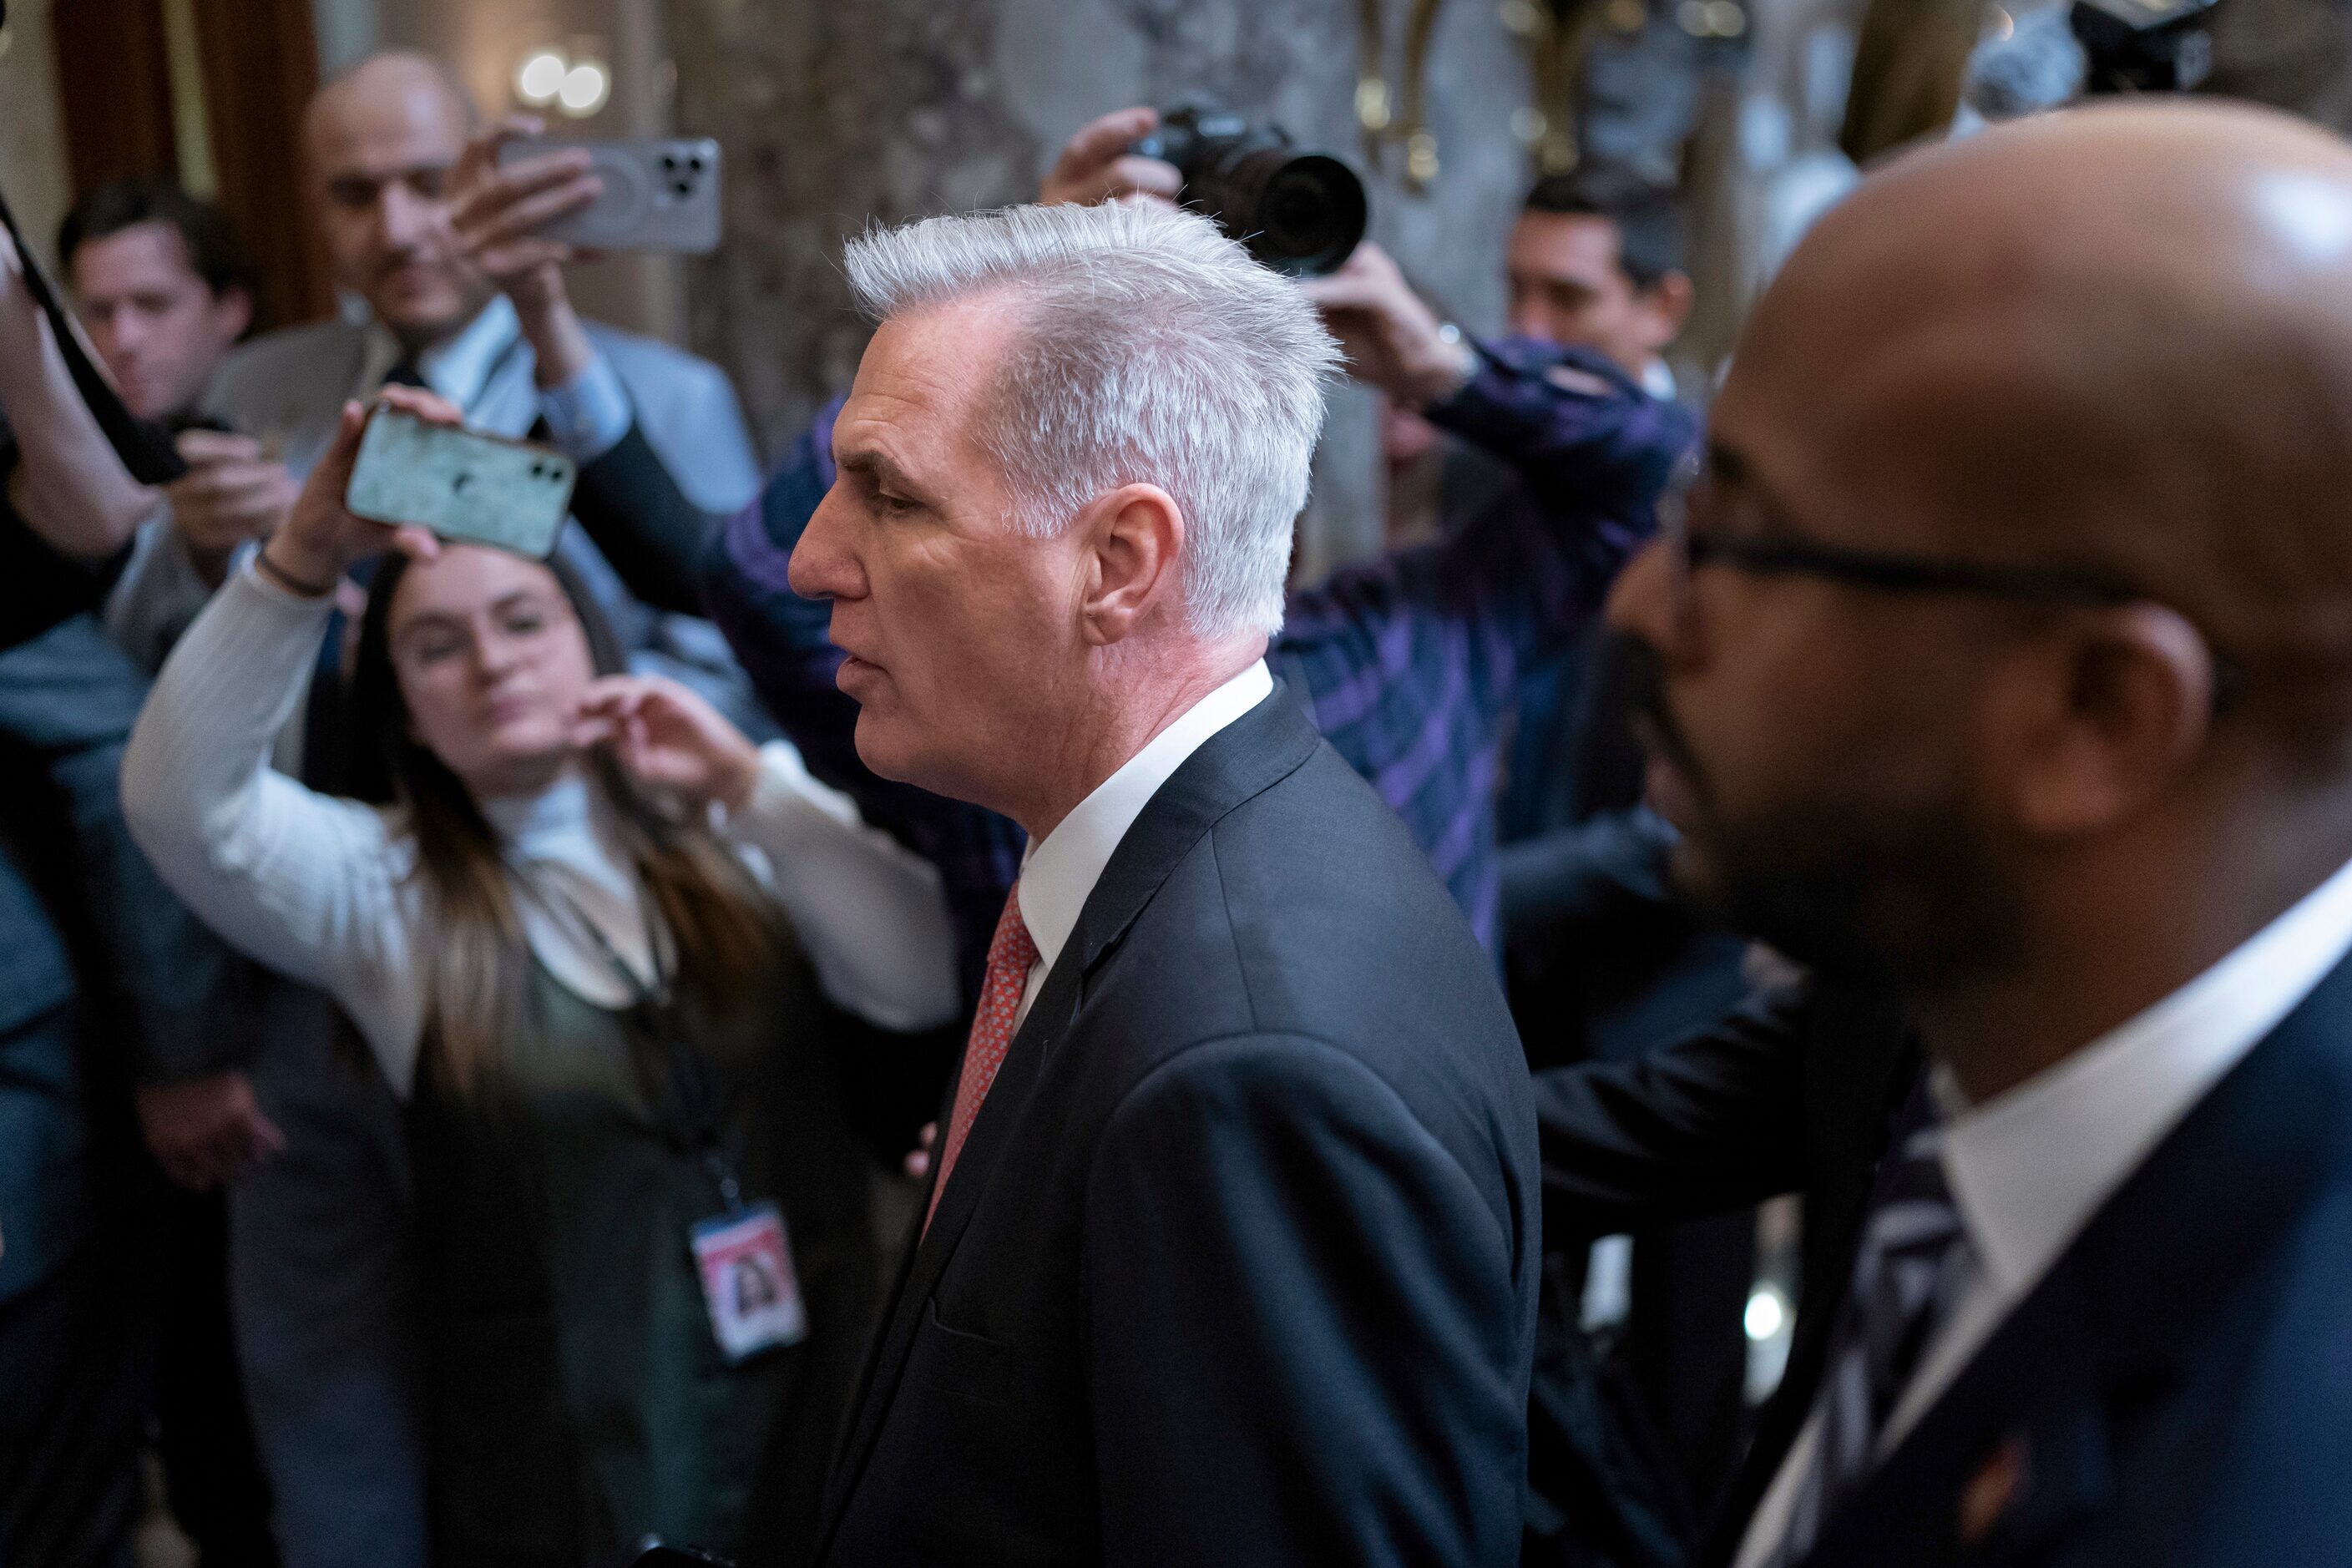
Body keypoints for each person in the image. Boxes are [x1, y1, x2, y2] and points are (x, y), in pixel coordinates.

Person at [1550, 100, 2352, 1566]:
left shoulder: (2252, 1486)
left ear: (2095, 715)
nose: (1646, 612)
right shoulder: (1981, 978)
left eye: (1737, 537)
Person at [791, 199, 1538, 1566]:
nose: (814, 560)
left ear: (1118, 562)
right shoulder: (1196, 854)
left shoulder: (1249, 1061)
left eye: (891, 495)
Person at [545, 106, 1694, 994]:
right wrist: (1012, 284)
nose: (827, 556)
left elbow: (1652, 475)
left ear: (1133, 544)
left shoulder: (1420, 639)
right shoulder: (1026, 705)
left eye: (900, 501)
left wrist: (1440, 360)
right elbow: (766, 578)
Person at [98, 53, 771, 1568]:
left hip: (562, 955)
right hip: (303, 942)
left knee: (585, 1355)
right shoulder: (256, 391)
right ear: (317, 215)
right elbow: (135, 696)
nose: (399, 224)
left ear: (489, 177)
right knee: (322, 1388)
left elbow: (741, 662)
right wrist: (220, 567)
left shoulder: (647, 395)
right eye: (354, 193)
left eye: (427, 180)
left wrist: (489, 638)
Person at [123, 386, 962, 1567]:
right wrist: (303, 556)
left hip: (816, 1433)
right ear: (403, 706)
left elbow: (924, 973)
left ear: (586, 633)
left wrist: (748, 790)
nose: (490, 662)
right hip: (568, 1490)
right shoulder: (385, 893)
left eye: (523, 619)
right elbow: (179, 805)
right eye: (435, 643)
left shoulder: (723, 820)